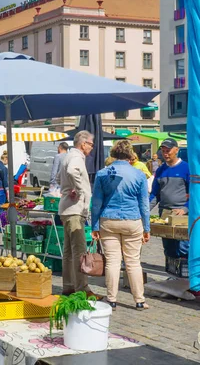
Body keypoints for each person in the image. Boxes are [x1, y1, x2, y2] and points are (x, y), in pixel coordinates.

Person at [91, 140, 150, 310]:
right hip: (132, 220)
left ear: (113, 154)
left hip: (108, 219)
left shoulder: (102, 174)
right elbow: (144, 205)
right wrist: (146, 228)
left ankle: (111, 299)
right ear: (131, 154)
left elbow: (96, 203)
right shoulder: (138, 174)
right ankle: (139, 300)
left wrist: (94, 225)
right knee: (133, 262)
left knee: (112, 262)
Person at [57, 131, 101, 299]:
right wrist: (81, 189)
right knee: (79, 251)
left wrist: (70, 187)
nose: (91, 147)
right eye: (91, 144)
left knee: (68, 251)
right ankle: (83, 288)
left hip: (67, 208)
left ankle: (68, 285)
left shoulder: (66, 156)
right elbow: (72, 170)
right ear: (83, 144)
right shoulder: (76, 157)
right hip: (74, 209)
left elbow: (60, 176)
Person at [149, 138, 190, 259]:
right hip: (165, 214)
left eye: (168, 150)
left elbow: (195, 195)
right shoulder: (161, 170)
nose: (165, 153)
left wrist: (185, 209)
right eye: (163, 150)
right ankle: (172, 274)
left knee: (183, 247)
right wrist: (145, 209)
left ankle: (185, 275)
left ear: (176, 150)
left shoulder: (186, 168)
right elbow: (155, 194)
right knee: (168, 248)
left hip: (181, 214)